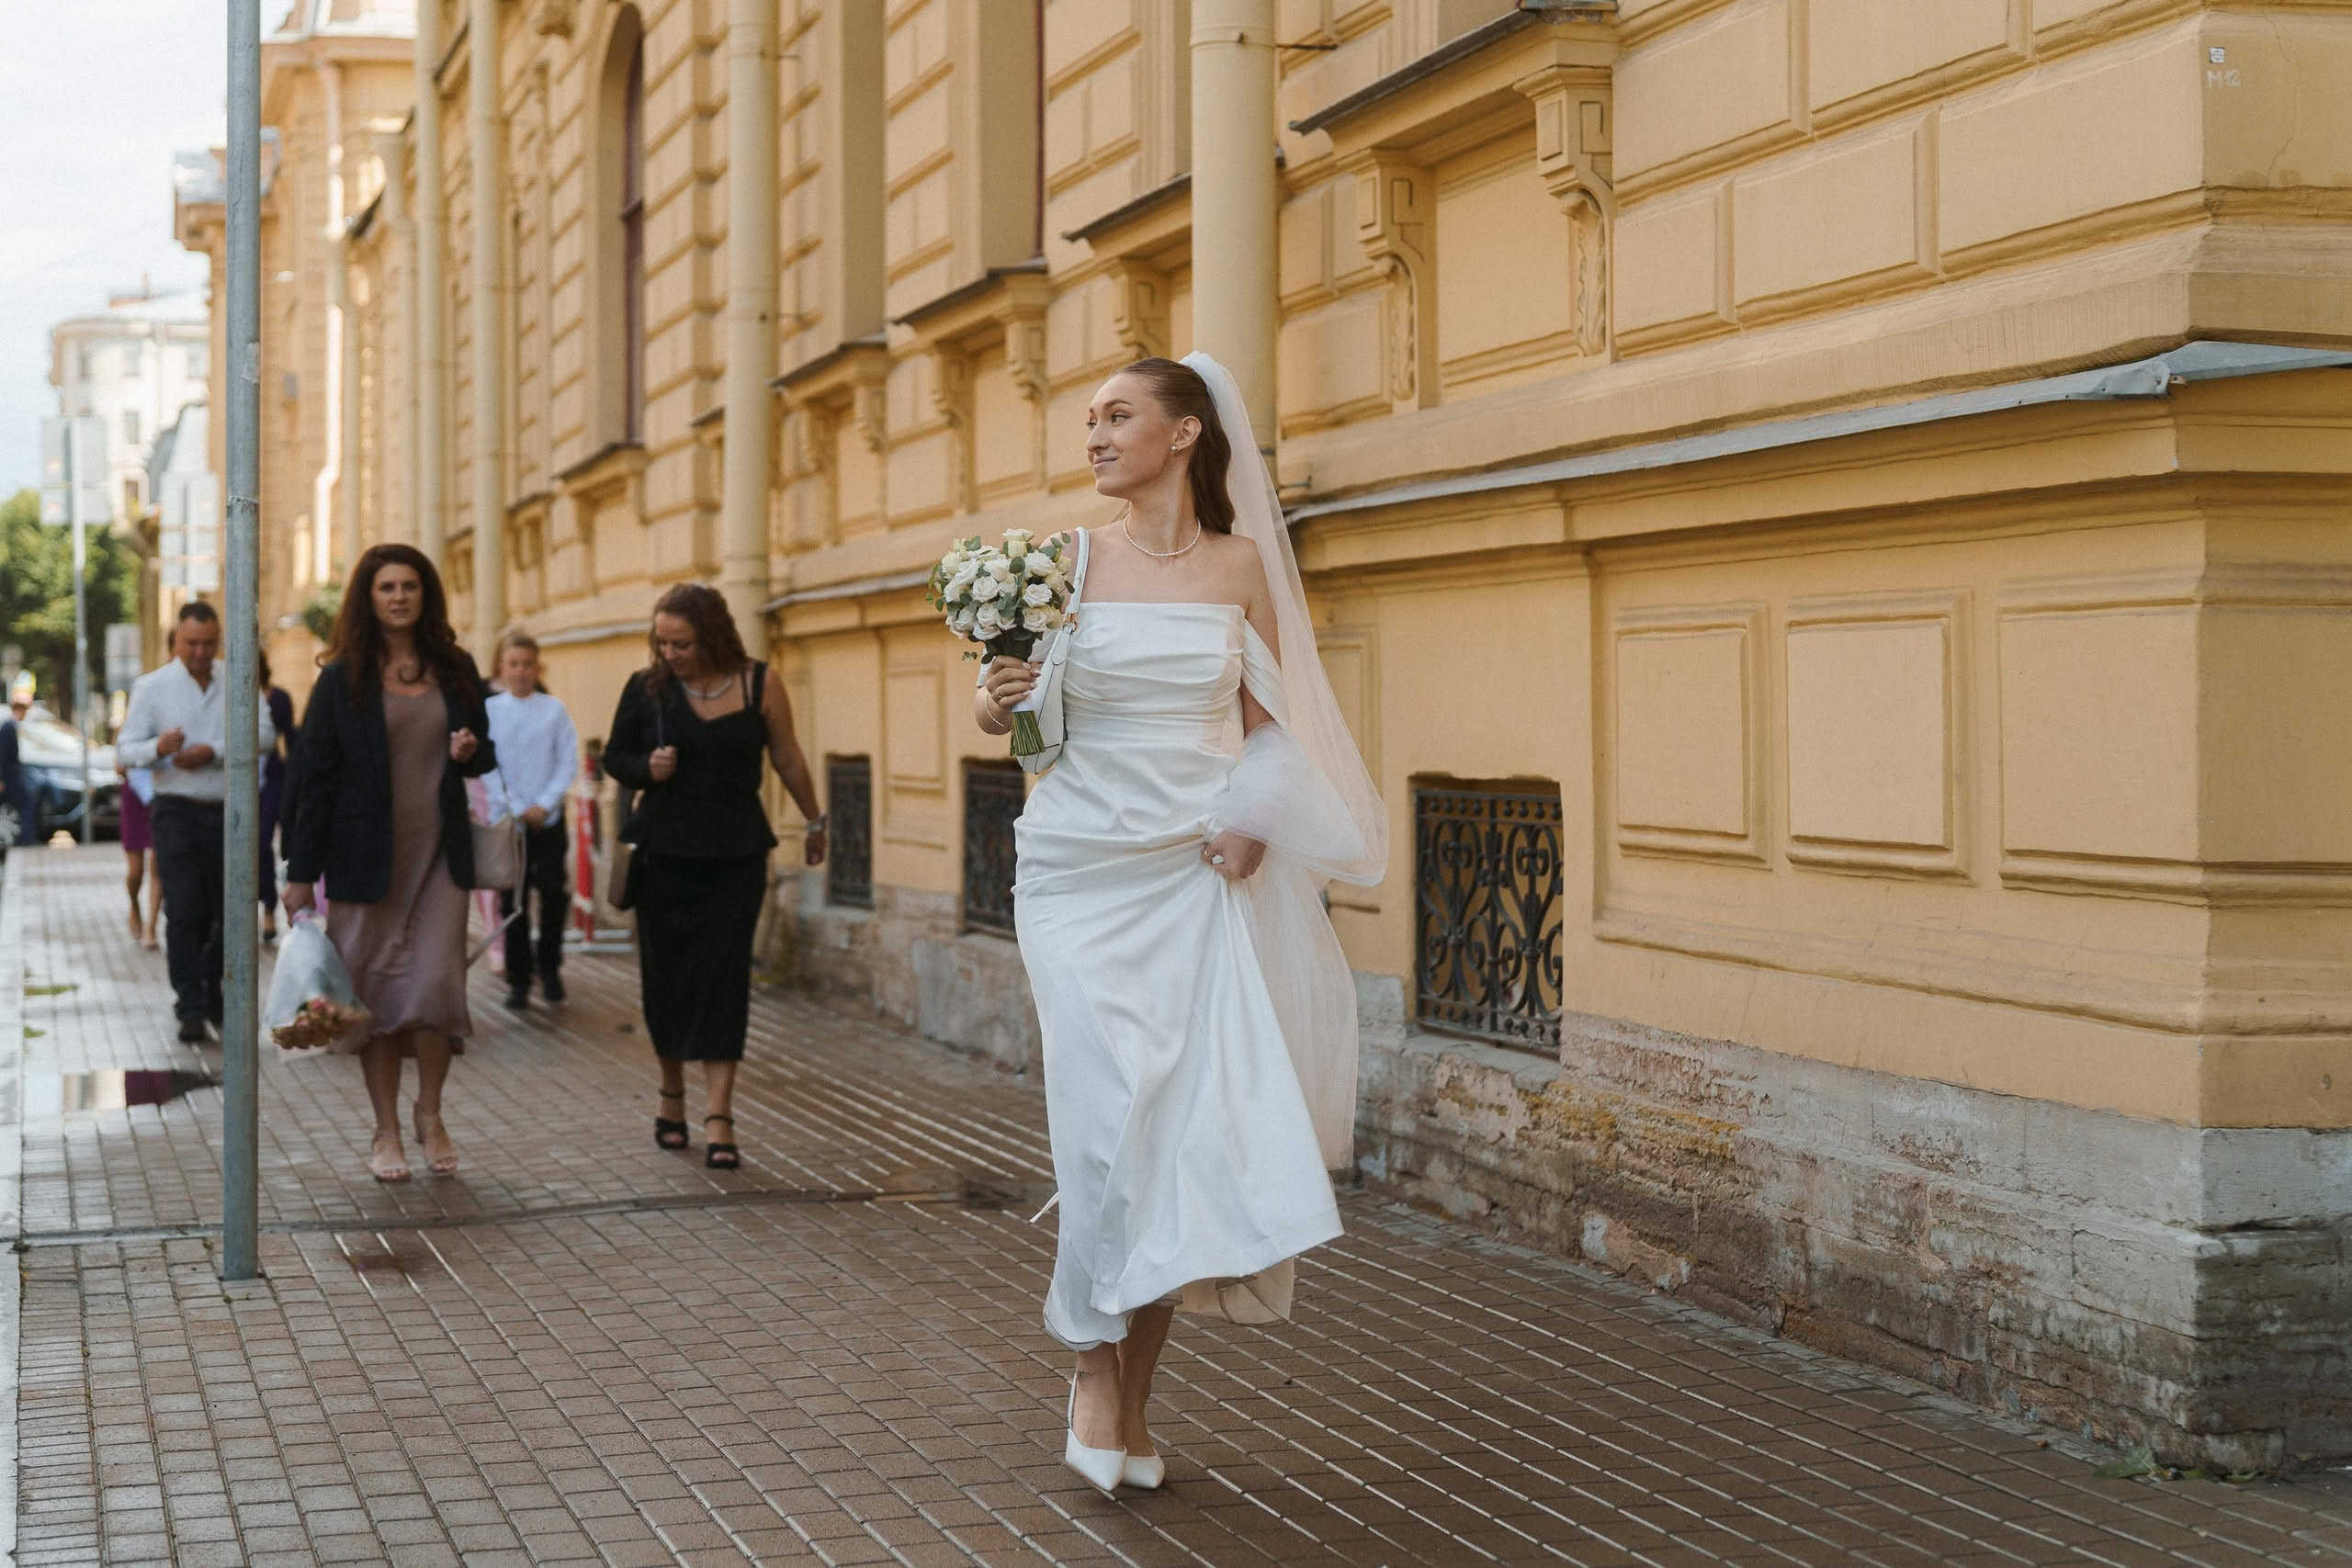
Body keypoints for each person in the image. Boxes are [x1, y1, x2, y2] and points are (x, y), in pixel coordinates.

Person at [975, 355, 1385, 1492]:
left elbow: (1273, 727)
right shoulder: (1060, 561)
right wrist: (995, 699)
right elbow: (1014, 712)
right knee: (1105, 1122)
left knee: (1175, 1135)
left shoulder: (1242, 566)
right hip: (1077, 870)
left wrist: (1254, 824)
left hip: (1193, 870)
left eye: (1119, 415)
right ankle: (1091, 1360)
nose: (1096, 435)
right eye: (1089, 420)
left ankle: (1132, 1393)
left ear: (1185, 433)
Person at [283, 545, 498, 1183]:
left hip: (439, 858)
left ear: (425, 594)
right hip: (364, 860)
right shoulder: (341, 678)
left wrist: (469, 748)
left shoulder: (456, 668)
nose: (399, 597)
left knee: (435, 986)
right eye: (387, 587)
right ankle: (385, 1129)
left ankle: (429, 1112)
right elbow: (316, 780)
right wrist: (300, 873)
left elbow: (484, 753)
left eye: (409, 586)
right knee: (374, 998)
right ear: (368, 598)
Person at [603, 584, 825, 1168]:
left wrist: (814, 819)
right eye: (662, 642)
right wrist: (646, 767)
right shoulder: (647, 688)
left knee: (724, 982)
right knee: (668, 982)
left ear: (712, 636)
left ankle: (720, 1114)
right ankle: (671, 1094)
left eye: (681, 643)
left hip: (735, 858)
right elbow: (614, 757)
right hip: (663, 859)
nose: (669, 653)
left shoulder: (759, 683)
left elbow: (787, 755)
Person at [115, 604, 279, 1043]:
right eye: (192, 643)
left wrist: (215, 751)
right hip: (176, 809)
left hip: (229, 811)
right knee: (185, 906)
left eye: (209, 643)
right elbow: (125, 750)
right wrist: (158, 747)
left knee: (228, 907)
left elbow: (266, 735)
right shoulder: (152, 687)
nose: (201, 652)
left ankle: (214, 989)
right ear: (176, 641)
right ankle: (189, 1003)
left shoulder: (238, 678)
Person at [484, 630, 579, 1010]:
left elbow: (567, 760)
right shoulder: (491, 711)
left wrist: (544, 804)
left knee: (553, 892)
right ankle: (519, 977)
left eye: (527, 664)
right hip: (510, 822)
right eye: (513, 664)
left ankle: (550, 967)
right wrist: (517, 806)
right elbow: (488, 767)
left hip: (548, 820)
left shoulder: (554, 710)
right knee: (513, 900)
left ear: (537, 667)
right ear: (501, 668)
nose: (521, 671)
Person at [256, 649, 298, 943]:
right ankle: (268, 905)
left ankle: (289, 905)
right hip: (238, 780)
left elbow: (291, 740)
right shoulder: (227, 696)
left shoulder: (278, 698)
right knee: (258, 847)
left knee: (278, 843)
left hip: (273, 778)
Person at [115, 760, 161, 948]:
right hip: (134, 794)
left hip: (159, 793)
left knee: (157, 868)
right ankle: (134, 905)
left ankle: (151, 928)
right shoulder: (128, 737)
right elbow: (119, 767)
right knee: (135, 872)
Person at [0, 690, 26, 852]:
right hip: (9, 778)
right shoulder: (8, 727)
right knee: (24, 806)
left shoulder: (10, 726)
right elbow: (2, 755)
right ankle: (26, 840)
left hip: (11, 777)